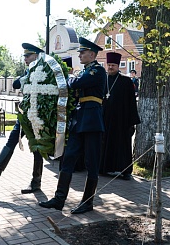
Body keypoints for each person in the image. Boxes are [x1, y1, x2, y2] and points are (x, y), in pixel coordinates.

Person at [38, 37, 106, 214]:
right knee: (67, 159)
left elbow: (76, 84)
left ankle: (88, 202)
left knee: (92, 162)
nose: (80, 55)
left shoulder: (97, 71)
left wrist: (70, 79)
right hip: (79, 119)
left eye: (83, 52)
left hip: (92, 120)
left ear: (92, 54)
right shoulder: (85, 70)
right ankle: (59, 199)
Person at [0, 43, 45, 194]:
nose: (25, 59)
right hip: (24, 114)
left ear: (36, 56)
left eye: (28, 56)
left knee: (37, 148)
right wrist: (27, 74)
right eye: (24, 56)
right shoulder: (28, 72)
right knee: (12, 139)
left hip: (36, 115)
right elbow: (16, 84)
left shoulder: (44, 71)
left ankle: (36, 182)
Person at [99, 52, 140, 180]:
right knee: (104, 144)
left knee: (122, 144)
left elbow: (131, 103)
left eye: (113, 65)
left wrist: (132, 122)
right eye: (109, 65)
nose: (110, 67)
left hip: (121, 120)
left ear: (118, 66)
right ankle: (104, 168)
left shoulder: (126, 81)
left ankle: (125, 170)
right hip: (104, 118)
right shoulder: (102, 79)